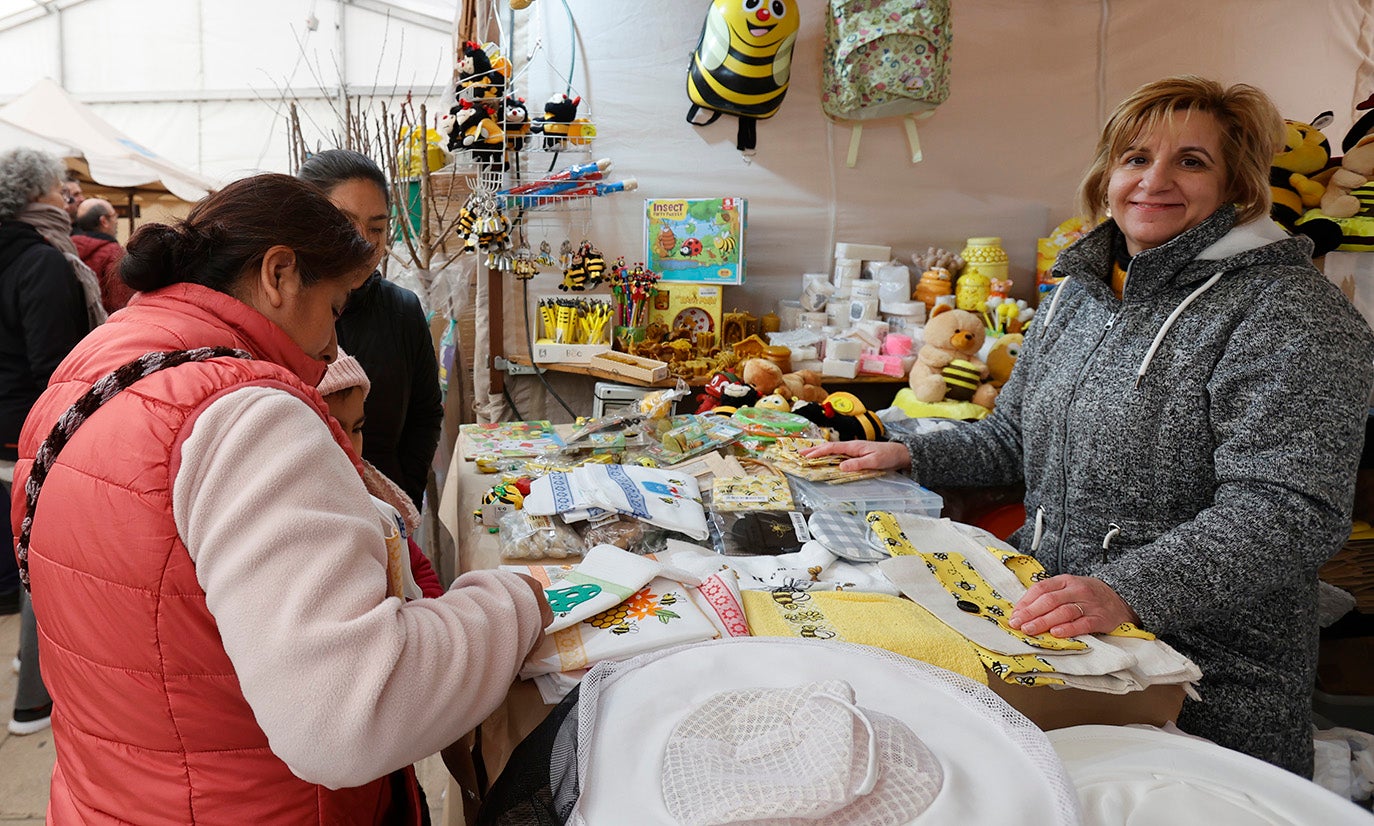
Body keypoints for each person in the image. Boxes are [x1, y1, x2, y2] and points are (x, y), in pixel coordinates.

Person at [807, 76, 1374, 777]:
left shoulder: (1289, 313)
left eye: (1190, 162)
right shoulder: (1082, 293)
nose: (1153, 181)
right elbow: (1012, 439)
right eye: (1134, 158)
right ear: (1107, 174)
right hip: (1054, 639)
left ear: (1237, 186)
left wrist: (1126, 590)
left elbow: (1288, 510)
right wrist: (906, 452)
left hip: (1200, 679)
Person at [13, 173, 551, 822]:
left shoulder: (96, 368)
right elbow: (349, 715)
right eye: (335, 307)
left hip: (112, 798)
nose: (331, 350)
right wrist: (521, 600)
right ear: (279, 275)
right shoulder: (244, 419)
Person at [0, 148, 100, 734]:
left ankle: (24, 667)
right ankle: (33, 701)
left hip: (6, 433)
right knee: (44, 564)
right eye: (60, 188)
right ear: (37, 194)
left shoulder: (30, 255)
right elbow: (56, 370)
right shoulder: (42, 262)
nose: (68, 197)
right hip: (29, 437)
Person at [298, 149, 443, 512]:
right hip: (307, 518)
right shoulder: (284, 315)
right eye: (345, 224)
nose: (364, 243)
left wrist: (403, 495)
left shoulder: (403, 310)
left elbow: (425, 415)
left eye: (376, 228)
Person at [319, 347, 444, 600]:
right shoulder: (304, 519)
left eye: (357, 429)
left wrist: (432, 612)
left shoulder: (376, 500)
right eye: (333, 429)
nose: (350, 447)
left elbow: (418, 570)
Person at [72, 197, 134, 312]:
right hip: (103, 324)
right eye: (114, 215)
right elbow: (120, 300)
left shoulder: (67, 247)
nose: (116, 220)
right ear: (104, 221)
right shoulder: (112, 252)